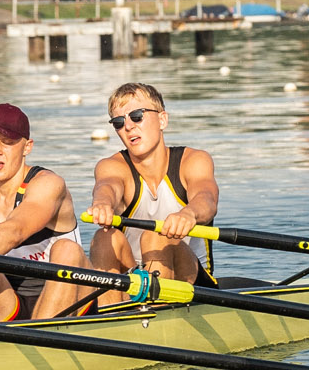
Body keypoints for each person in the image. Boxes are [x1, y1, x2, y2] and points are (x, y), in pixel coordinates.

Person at [0, 102, 94, 322]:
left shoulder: (48, 184)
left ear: (27, 147)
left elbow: (15, 230)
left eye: (7, 143)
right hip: (9, 304)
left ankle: (43, 338)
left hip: (70, 301)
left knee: (68, 250)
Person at [84, 82, 219, 286]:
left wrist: (188, 214)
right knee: (104, 238)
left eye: (137, 116)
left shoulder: (194, 160)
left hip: (194, 283)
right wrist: (102, 203)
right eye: (119, 122)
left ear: (162, 119)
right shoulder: (111, 166)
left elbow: (206, 199)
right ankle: (111, 312)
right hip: (135, 280)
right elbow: (107, 187)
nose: (128, 126)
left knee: (156, 236)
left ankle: (156, 311)